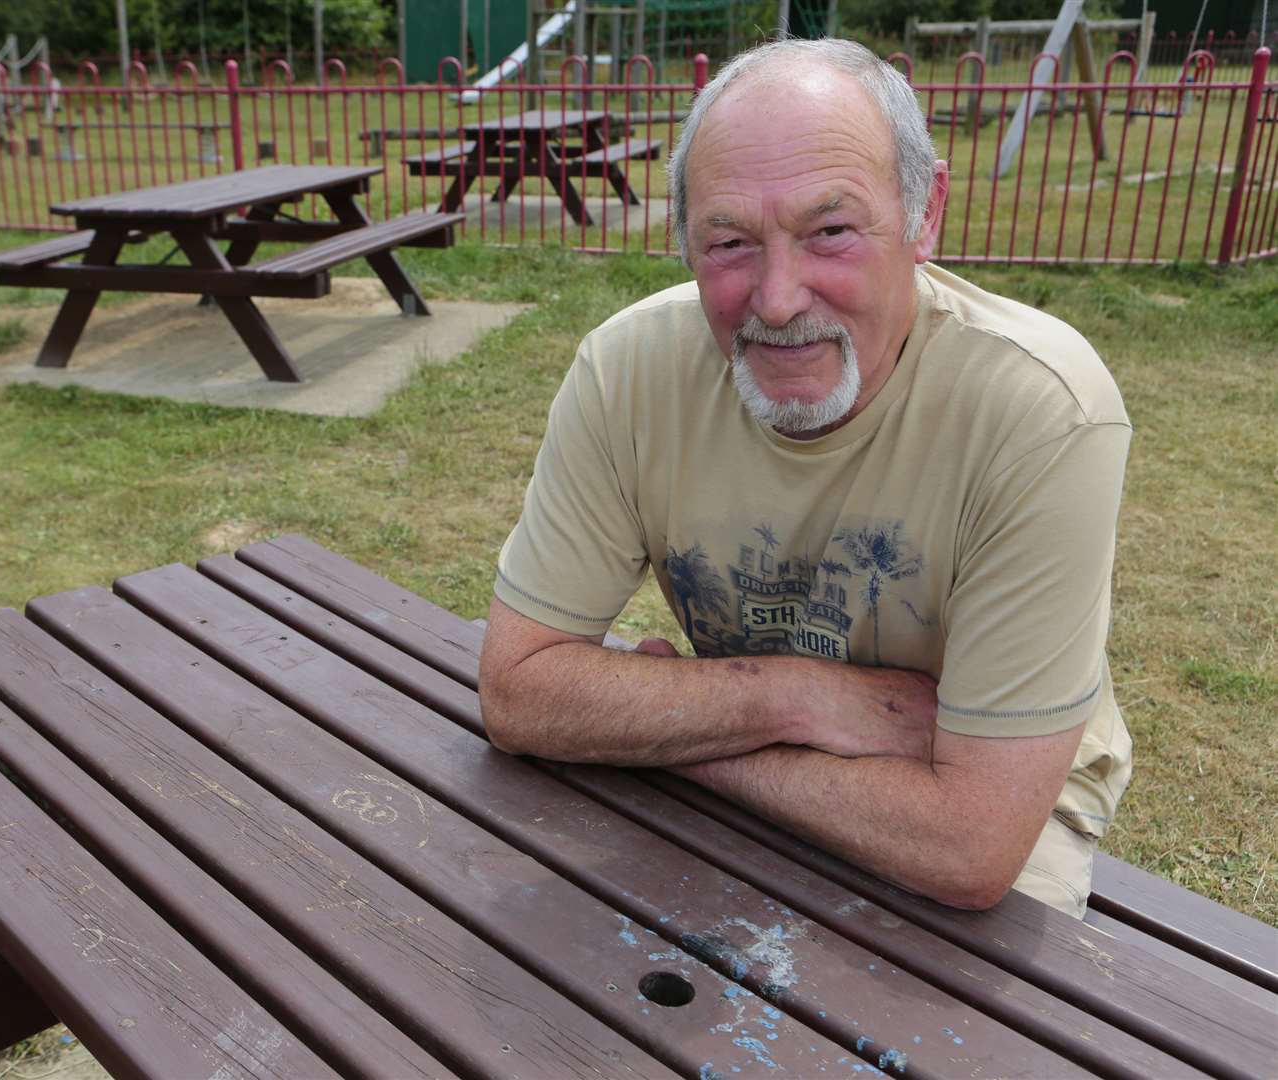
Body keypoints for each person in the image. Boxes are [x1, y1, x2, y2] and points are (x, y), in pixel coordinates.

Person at [478, 38, 1132, 918]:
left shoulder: (1043, 409)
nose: (778, 299)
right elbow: (518, 693)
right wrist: (797, 700)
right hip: (822, 765)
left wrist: (667, 729)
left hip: (1003, 813)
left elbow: (972, 843)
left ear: (923, 211)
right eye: (730, 242)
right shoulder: (625, 370)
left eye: (829, 231)